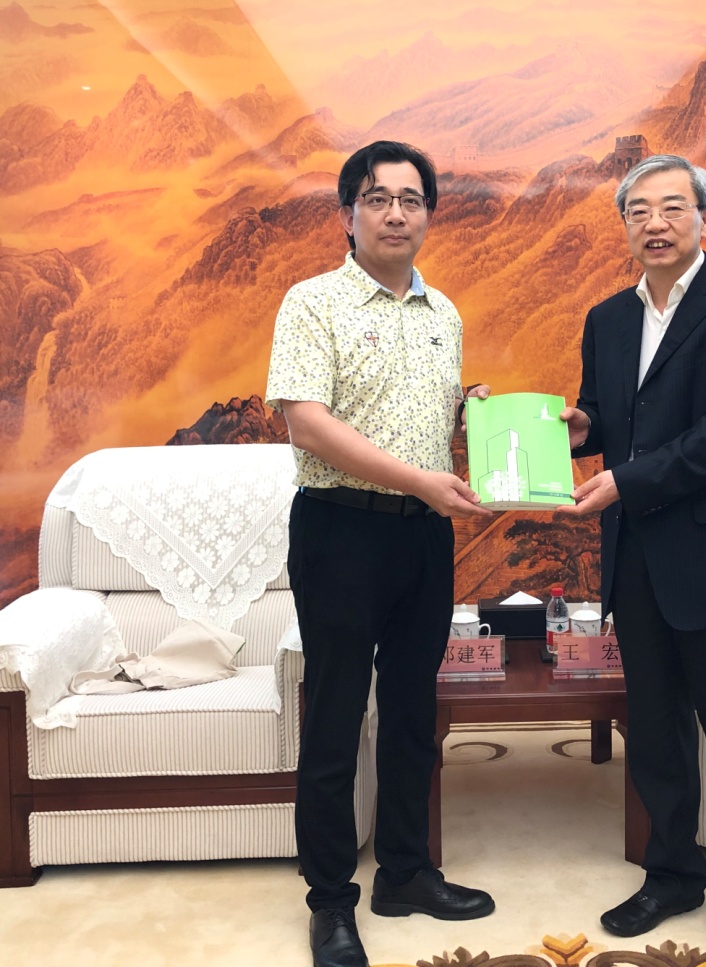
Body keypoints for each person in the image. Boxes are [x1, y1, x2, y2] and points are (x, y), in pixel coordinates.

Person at [558, 154, 706, 967]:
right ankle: (670, 875)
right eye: (638, 211)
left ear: (704, 216)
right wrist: (573, 428)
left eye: (671, 207)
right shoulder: (606, 318)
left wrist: (625, 479)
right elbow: (608, 418)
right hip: (637, 560)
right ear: (624, 225)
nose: (653, 223)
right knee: (657, 736)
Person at [266, 140, 495, 967]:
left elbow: (421, 417)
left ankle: (404, 870)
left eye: (410, 199)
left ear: (428, 214)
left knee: (409, 713)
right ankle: (331, 900)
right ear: (348, 215)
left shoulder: (444, 314)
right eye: (377, 198)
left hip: (423, 537)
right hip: (340, 530)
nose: (395, 213)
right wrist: (419, 480)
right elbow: (307, 423)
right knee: (334, 719)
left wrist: (476, 415)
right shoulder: (312, 302)